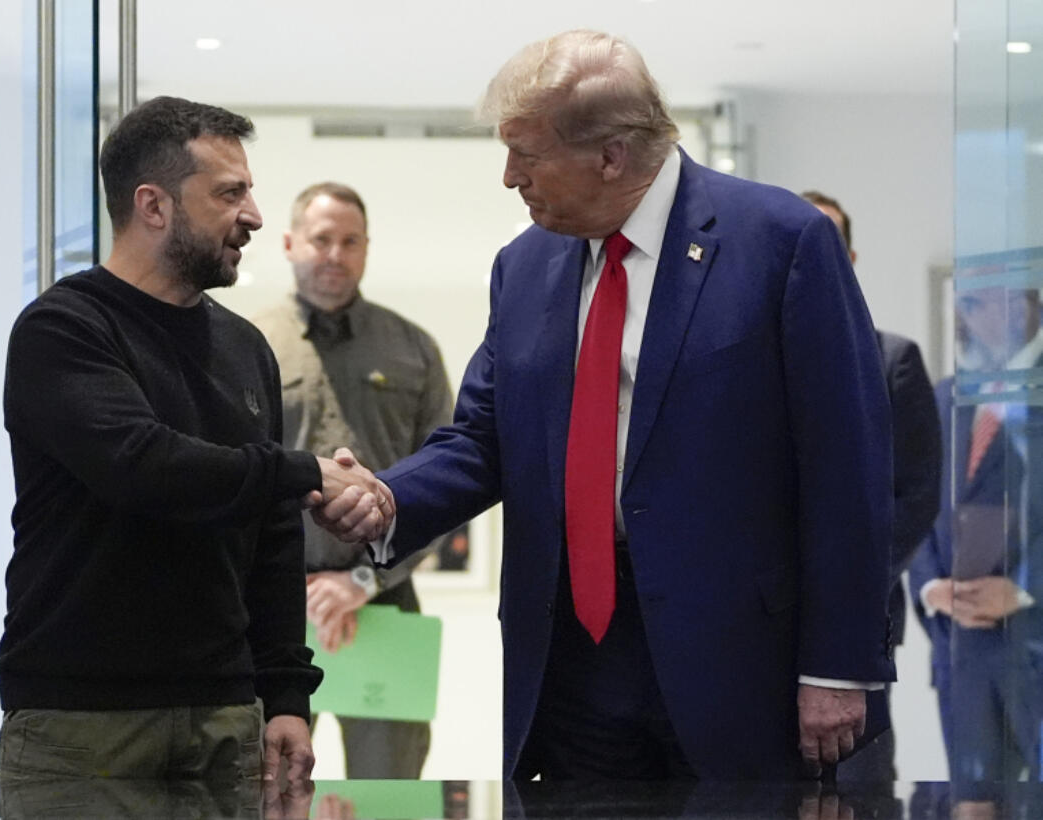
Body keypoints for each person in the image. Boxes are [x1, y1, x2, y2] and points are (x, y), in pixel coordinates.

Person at [318, 30, 895, 780]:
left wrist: (838, 666)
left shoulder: (781, 243)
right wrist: (390, 499)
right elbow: (485, 437)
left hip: (738, 664)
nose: (508, 177)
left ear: (612, 155)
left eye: (527, 153)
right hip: (566, 661)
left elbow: (846, 464)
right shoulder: (523, 266)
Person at [0, 96, 391, 784]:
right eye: (229, 194)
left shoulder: (246, 349)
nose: (255, 217)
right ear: (154, 206)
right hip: (83, 727)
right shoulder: (63, 330)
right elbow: (143, 466)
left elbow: (271, 540)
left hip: (226, 721)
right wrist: (307, 472)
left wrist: (287, 696)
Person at [252, 182, 454, 778]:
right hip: (274, 618)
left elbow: (445, 483)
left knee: (390, 792)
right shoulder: (248, 345)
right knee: (270, 784)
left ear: (366, 250)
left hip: (386, 608)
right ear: (290, 244)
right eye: (320, 239)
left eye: (349, 241)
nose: (334, 254)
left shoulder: (413, 349)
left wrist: (365, 580)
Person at [801, 190, 942, 783]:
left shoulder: (893, 359)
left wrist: (845, 583)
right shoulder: (740, 360)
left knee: (858, 786)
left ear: (851, 258)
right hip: (752, 626)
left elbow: (917, 497)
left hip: (859, 624)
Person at [908, 285, 1043, 807]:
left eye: (1005, 297)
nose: (991, 314)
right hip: (959, 652)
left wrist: (1026, 590)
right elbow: (915, 502)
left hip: (1032, 643)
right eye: (975, 302)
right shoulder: (943, 398)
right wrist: (930, 587)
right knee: (973, 806)